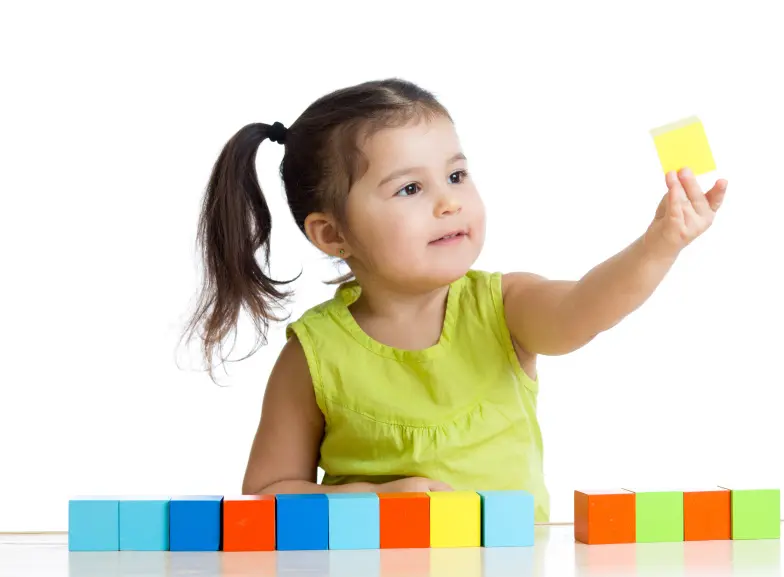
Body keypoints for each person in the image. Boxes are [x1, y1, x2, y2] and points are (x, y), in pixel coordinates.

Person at [183, 78, 727, 522]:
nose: (449, 203)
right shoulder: (314, 353)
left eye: (456, 175)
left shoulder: (505, 307)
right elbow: (265, 497)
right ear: (332, 235)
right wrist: (373, 503)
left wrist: (660, 245)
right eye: (410, 189)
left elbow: (586, 308)